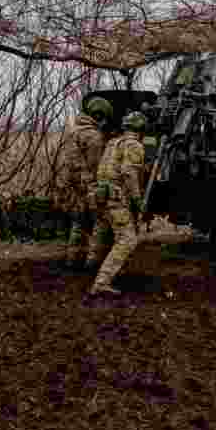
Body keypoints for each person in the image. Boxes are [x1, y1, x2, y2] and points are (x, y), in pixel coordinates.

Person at [86, 110, 147, 295]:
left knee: (104, 233)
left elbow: (102, 170)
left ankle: (93, 267)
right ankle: (101, 282)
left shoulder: (113, 143)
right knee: (127, 240)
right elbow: (129, 173)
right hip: (116, 199)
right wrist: (137, 200)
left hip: (102, 196)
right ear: (140, 128)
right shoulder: (133, 145)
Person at [58, 96, 112, 269]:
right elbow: (96, 166)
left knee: (78, 222)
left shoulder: (73, 132)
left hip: (72, 185)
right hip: (88, 185)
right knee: (100, 221)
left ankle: (71, 259)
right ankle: (92, 262)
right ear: (98, 116)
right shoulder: (94, 137)